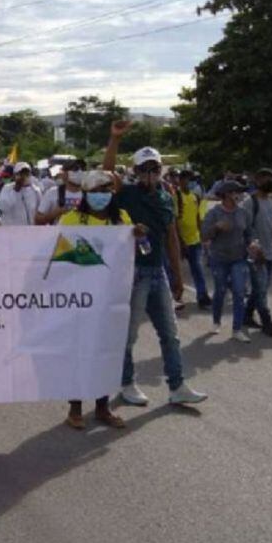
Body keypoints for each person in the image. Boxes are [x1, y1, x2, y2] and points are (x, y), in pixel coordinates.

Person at [103, 122, 207, 407]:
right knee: (129, 335)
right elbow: (106, 172)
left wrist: (177, 275)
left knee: (170, 335)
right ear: (136, 172)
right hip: (132, 273)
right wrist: (114, 139)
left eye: (154, 168)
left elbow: (171, 237)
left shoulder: (166, 197)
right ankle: (126, 383)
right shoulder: (125, 193)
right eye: (144, 169)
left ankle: (177, 386)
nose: (150, 174)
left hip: (157, 272)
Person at [60, 170, 145, 429]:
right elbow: (58, 256)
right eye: (95, 192)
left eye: (105, 191)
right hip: (81, 296)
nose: (101, 196)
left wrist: (140, 235)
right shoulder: (71, 219)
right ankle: (75, 408)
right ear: (86, 194)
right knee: (80, 352)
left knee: (107, 351)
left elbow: (138, 251)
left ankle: (102, 407)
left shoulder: (121, 219)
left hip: (111, 297)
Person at [202, 180, 253, 343]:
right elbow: (204, 235)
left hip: (239, 258)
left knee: (239, 292)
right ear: (226, 194)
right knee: (220, 291)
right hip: (219, 258)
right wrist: (216, 227)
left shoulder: (243, 212)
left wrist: (252, 244)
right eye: (236, 192)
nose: (239, 195)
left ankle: (237, 329)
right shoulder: (214, 212)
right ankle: (216, 322)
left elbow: (249, 234)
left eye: (240, 192)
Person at [243, 168, 272, 337]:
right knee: (261, 288)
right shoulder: (250, 202)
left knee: (262, 288)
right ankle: (267, 322)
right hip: (257, 254)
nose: (270, 182)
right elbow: (245, 228)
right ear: (257, 180)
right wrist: (253, 247)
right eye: (267, 179)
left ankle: (247, 315)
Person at [174, 169, 211, 309]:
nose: (190, 183)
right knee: (175, 270)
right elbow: (175, 220)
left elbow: (197, 217)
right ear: (181, 180)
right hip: (180, 240)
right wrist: (180, 241)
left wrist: (202, 234)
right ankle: (176, 297)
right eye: (187, 179)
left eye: (192, 180)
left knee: (197, 268)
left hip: (194, 239)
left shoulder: (195, 196)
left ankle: (202, 296)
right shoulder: (176, 196)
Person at [35, 159, 86, 225]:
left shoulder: (89, 194)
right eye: (75, 169)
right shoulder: (52, 193)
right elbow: (37, 220)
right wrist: (54, 214)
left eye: (83, 169)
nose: (80, 172)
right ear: (65, 173)